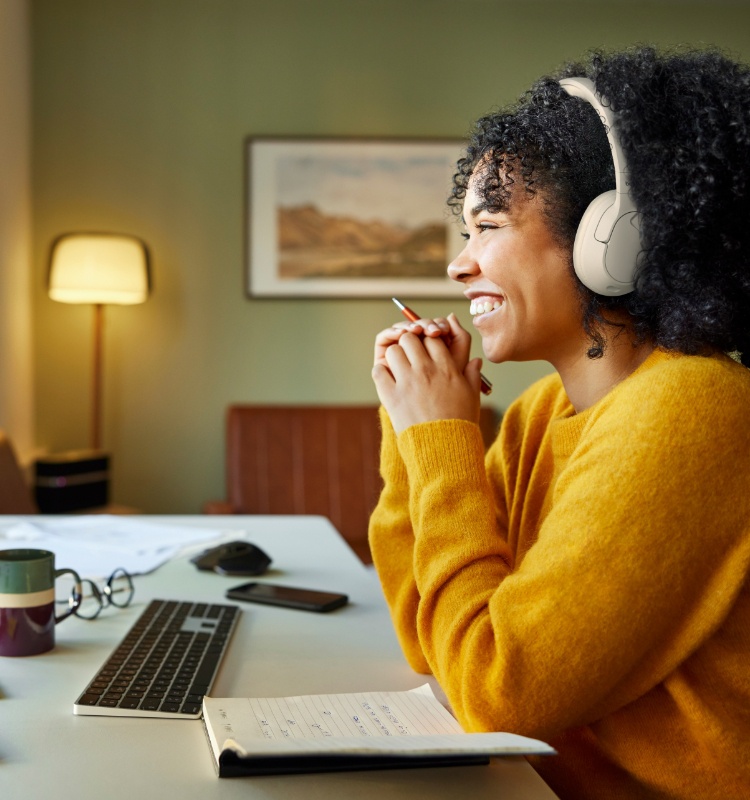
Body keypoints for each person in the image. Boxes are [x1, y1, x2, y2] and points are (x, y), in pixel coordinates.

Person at [368, 46, 750, 800]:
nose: (458, 265)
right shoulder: (543, 412)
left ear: (609, 235)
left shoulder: (695, 406)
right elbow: (430, 638)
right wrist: (412, 432)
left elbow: (496, 692)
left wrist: (441, 440)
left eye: (487, 226)